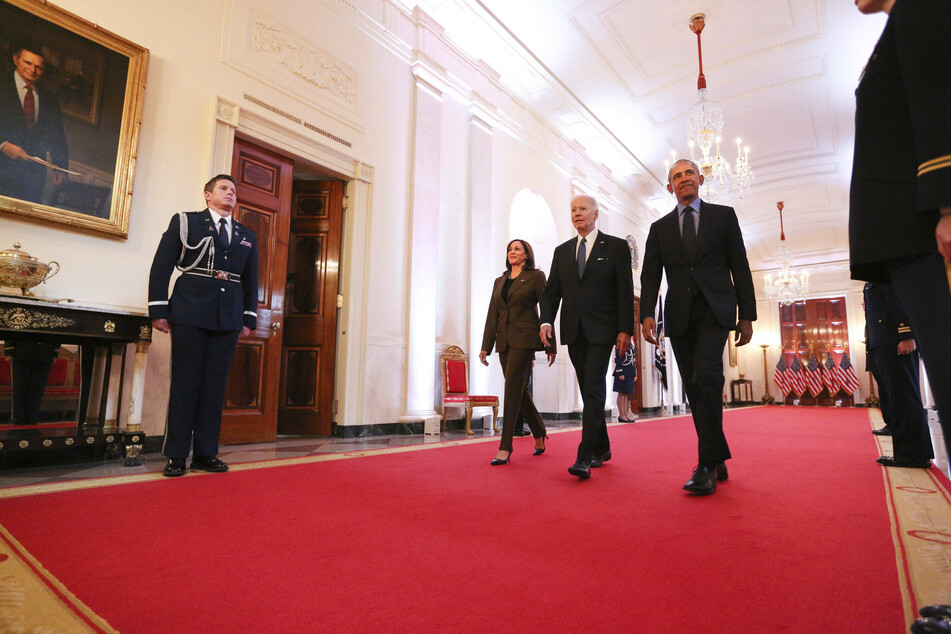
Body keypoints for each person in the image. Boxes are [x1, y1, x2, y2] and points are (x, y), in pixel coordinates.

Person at [850, 0, 951, 465]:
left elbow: (938, 104)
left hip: (925, 228)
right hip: (908, 233)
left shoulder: (923, 8)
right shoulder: (898, 26)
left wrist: (947, 205)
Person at [640, 159, 756, 496]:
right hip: (679, 315)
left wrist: (746, 314)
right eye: (676, 176)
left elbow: (740, 264)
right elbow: (650, 274)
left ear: (701, 179)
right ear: (669, 188)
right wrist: (647, 312)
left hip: (716, 309)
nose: (683, 179)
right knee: (694, 386)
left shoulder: (723, 216)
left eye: (689, 173)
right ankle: (717, 455)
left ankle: (705, 464)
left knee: (707, 377)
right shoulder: (659, 228)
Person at [148, 174, 258, 477]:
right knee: (185, 383)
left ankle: (206, 453)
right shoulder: (187, 222)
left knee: (214, 386)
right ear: (208, 195)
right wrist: (158, 308)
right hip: (189, 310)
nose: (230, 194)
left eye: (234, 190)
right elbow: (162, 265)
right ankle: (176, 455)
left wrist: (248, 317)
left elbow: (251, 280)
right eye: (224, 188)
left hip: (228, 316)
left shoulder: (246, 234)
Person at [539, 195, 635, 480]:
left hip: (603, 330)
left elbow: (624, 291)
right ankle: (603, 447)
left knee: (593, 388)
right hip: (574, 330)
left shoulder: (616, 247)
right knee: (589, 390)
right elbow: (552, 291)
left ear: (595, 214)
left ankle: (584, 456)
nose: (577, 213)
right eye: (573, 210)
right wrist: (546, 320)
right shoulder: (562, 251)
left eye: (582, 209)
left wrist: (625, 329)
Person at [480, 239, 556, 465]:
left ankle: (505, 446)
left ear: (526, 254)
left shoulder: (535, 277)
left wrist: (550, 344)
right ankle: (539, 431)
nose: (512, 252)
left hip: (525, 338)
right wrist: (486, 345)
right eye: (510, 249)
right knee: (518, 389)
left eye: (517, 249)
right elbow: (492, 313)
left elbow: (547, 308)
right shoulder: (499, 281)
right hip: (503, 341)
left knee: (511, 387)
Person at [864, 282, 933, 468]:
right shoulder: (872, 277)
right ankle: (908, 454)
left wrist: (907, 334)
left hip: (894, 341)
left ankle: (913, 455)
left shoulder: (886, 271)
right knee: (897, 397)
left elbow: (901, 299)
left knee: (904, 396)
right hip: (883, 342)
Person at [0, 42, 69, 204]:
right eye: (28, 63)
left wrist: (60, 167)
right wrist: (2, 145)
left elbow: (57, 137)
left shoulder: (50, 100)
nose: (32, 70)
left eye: (39, 67)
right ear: (16, 60)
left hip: (32, 179)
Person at [612, 345, 637, 422]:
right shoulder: (621, 343)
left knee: (626, 393)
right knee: (622, 393)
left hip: (630, 371)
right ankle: (622, 415)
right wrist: (620, 371)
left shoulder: (630, 344)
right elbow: (618, 358)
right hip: (623, 371)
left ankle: (625, 414)